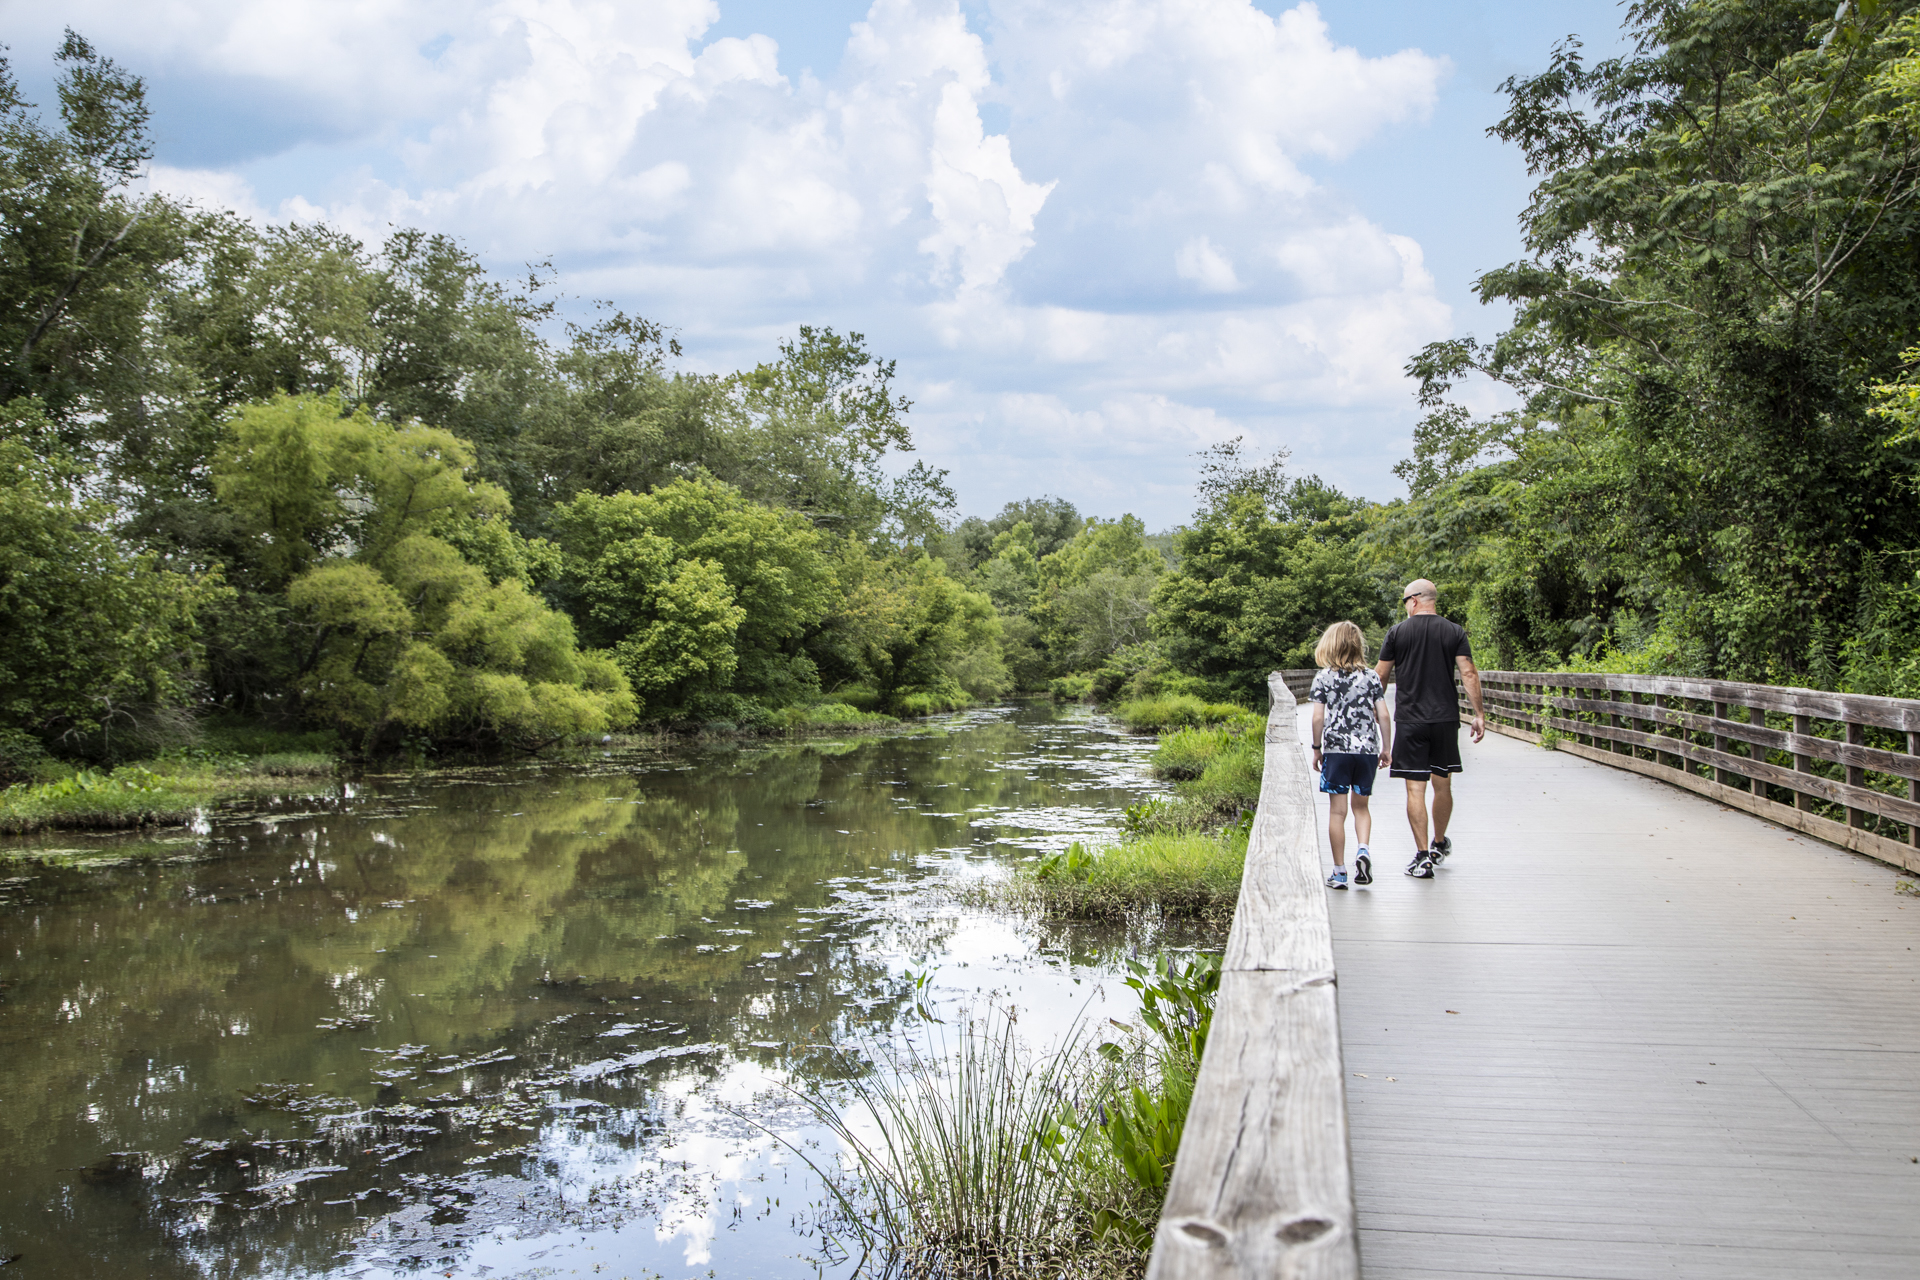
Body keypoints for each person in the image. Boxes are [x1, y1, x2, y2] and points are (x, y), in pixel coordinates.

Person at [1375, 579, 1485, 879]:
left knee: (1415, 788)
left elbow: (1380, 675)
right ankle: (1438, 844)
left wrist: (1374, 710)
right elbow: (1468, 672)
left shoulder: (1397, 632)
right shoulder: (1454, 631)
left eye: (1404, 602)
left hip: (1410, 720)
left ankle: (1422, 856)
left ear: (1413, 600)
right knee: (1443, 783)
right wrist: (1479, 714)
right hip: (1445, 719)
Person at [1309, 620, 1391, 890]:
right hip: (1367, 751)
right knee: (1361, 808)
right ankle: (1363, 850)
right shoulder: (1371, 677)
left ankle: (1340, 872)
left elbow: (1318, 718)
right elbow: (1384, 715)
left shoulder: (1324, 677)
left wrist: (1316, 748)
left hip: (1337, 750)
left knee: (1337, 811)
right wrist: (1386, 748)